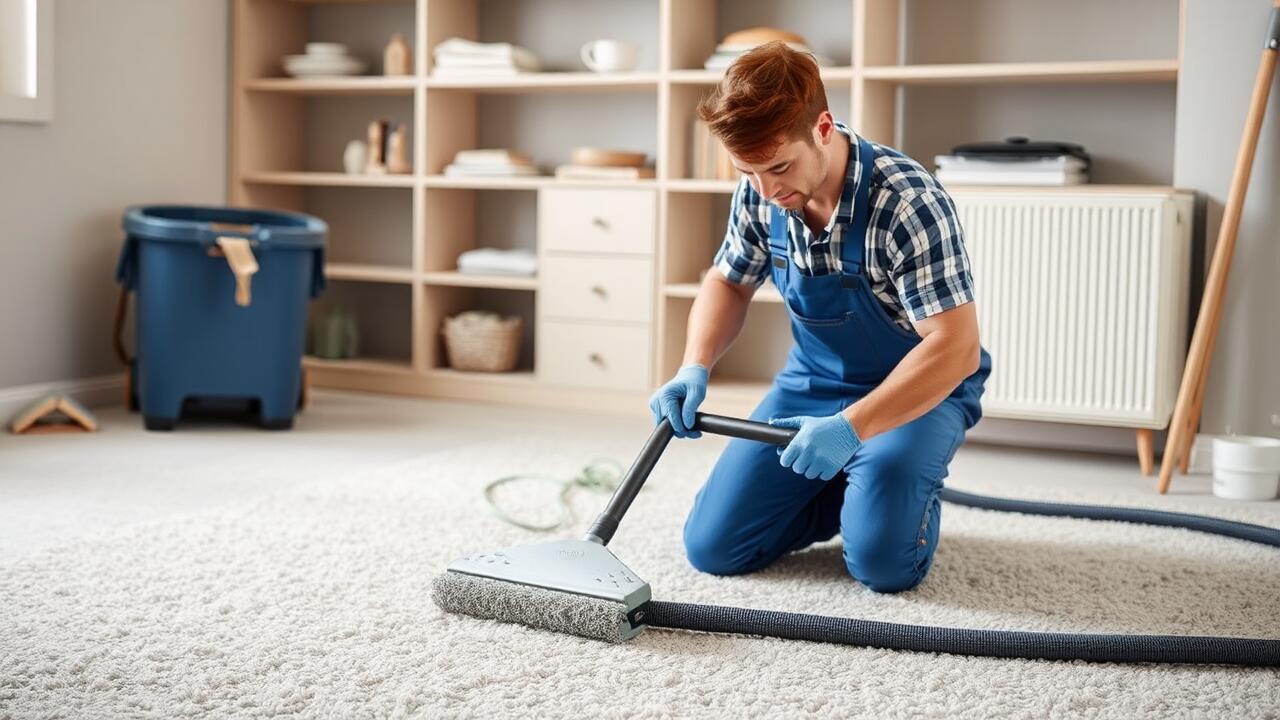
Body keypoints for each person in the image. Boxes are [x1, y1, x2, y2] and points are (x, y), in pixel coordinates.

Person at [650, 42, 992, 593]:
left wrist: (852, 428)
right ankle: (861, 490)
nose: (767, 190)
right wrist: (694, 366)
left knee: (883, 565)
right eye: (747, 171)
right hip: (813, 383)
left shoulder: (906, 202)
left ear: (824, 129)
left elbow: (956, 348)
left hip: (916, 390)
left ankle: (890, 495)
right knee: (714, 548)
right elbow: (728, 281)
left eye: (779, 167)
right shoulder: (761, 191)